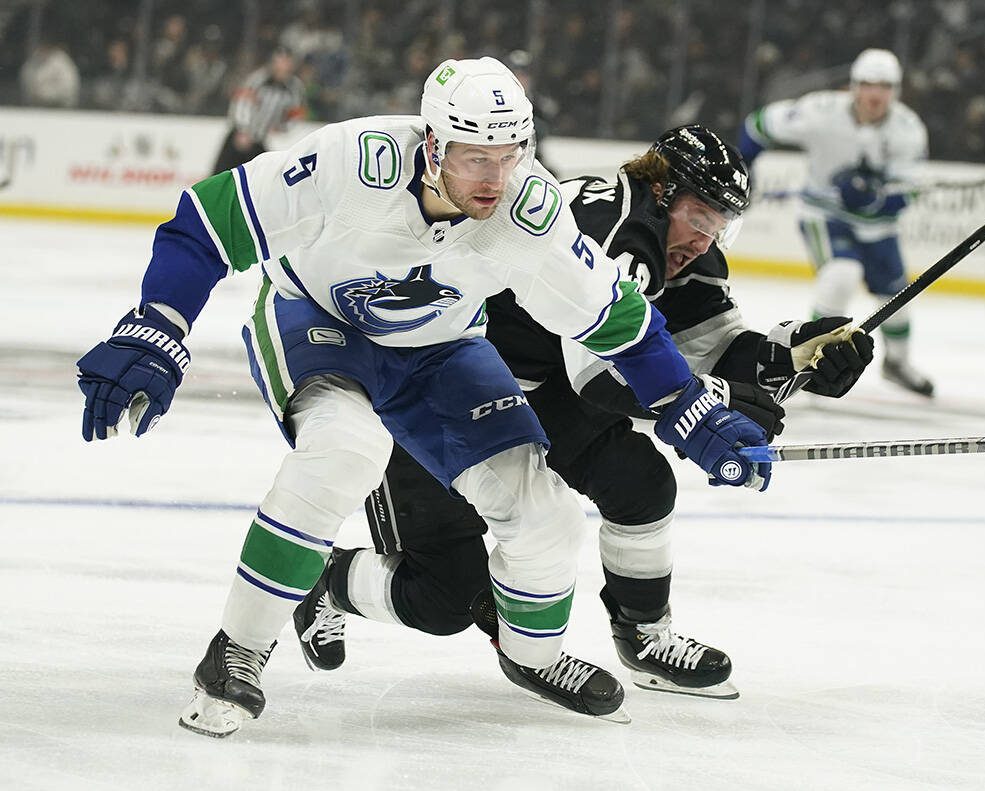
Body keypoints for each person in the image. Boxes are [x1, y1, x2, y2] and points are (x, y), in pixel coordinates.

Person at [75, 57, 772, 737]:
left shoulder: (531, 210)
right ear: (432, 143)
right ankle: (236, 649)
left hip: (441, 349)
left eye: (511, 155)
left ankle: (532, 657)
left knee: (548, 514)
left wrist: (692, 410)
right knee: (345, 452)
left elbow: (619, 321)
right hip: (316, 320)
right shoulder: (352, 159)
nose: (497, 179)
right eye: (476, 158)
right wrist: (156, 327)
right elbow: (207, 222)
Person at [291, 125, 873, 704]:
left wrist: (791, 353)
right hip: (430, 386)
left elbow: (708, 345)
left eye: (722, 225)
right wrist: (710, 403)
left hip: (530, 390)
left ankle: (643, 636)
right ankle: (329, 582)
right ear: (663, 189)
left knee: (640, 484)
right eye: (700, 217)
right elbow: (600, 376)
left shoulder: (665, 240)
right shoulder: (617, 231)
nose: (705, 240)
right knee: (443, 596)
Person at [739, 47, 935, 397]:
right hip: (824, 217)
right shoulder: (820, 112)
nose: (875, 94)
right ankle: (814, 361)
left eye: (885, 86)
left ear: (896, 91)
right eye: (868, 84)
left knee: (896, 295)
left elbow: (911, 190)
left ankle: (897, 364)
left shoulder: (908, 129)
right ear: (854, 86)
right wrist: (746, 167)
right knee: (840, 276)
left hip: (877, 227)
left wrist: (877, 197)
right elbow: (759, 125)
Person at [210, 45, 306, 175]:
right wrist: (243, 130)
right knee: (223, 173)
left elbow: (296, 115)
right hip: (241, 136)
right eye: (280, 62)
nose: (283, 67)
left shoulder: (294, 87)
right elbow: (242, 103)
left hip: (260, 139)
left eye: (287, 63)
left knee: (259, 177)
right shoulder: (259, 79)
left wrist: (282, 128)